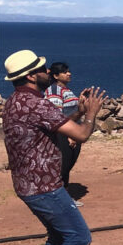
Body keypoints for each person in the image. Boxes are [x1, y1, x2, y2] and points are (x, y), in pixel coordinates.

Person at [3, 49, 105, 245]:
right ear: (30, 76)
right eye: (42, 68)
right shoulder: (37, 103)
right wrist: (90, 114)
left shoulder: (15, 101)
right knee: (79, 237)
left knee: (58, 236)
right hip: (45, 186)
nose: (47, 72)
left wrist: (77, 110)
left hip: (27, 185)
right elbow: (82, 135)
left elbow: (50, 122)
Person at [45, 62, 84, 201]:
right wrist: (69, 135)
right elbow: (57, 116)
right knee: (63, 165)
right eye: (65, 72)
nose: (69, 73)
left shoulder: (66, 90)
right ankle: (60, 199)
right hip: (64, 134)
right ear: (55, 75)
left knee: (67, 164)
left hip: (72, 132)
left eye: (68, 71)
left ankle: (66, 197)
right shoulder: (54, 91)